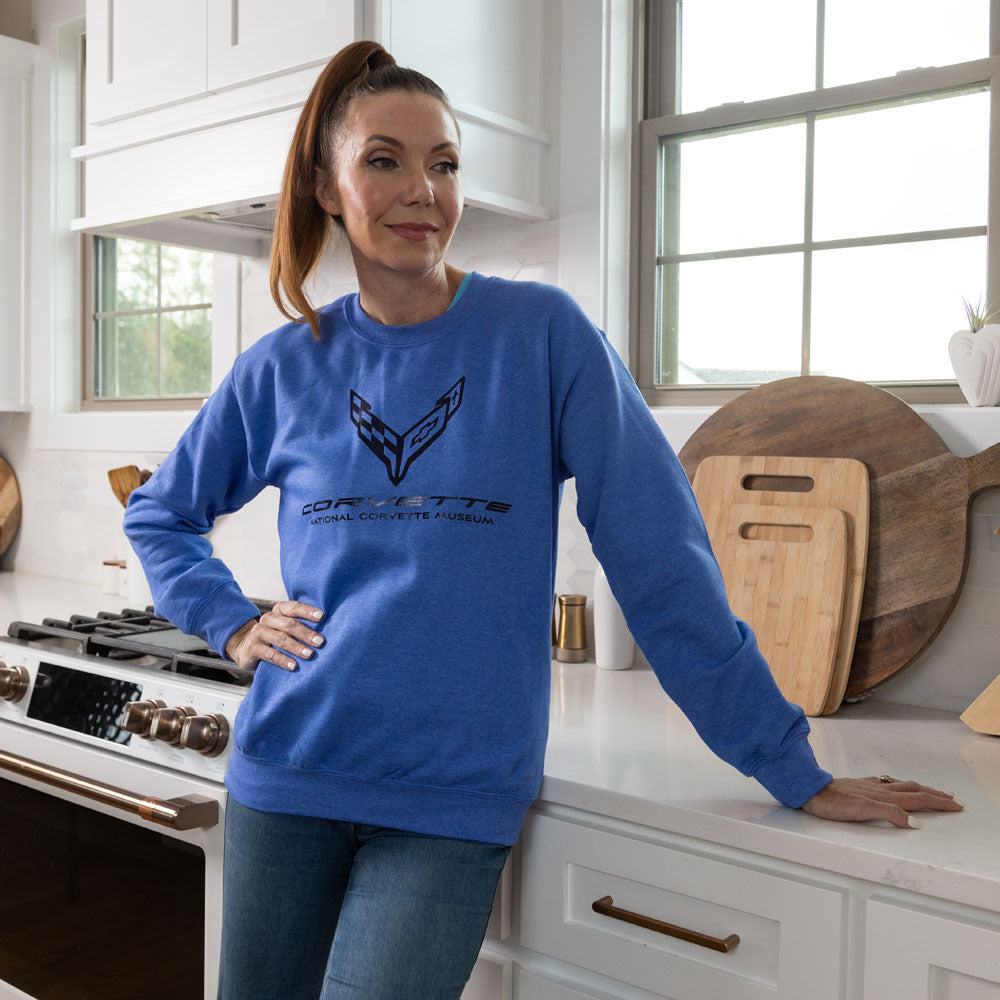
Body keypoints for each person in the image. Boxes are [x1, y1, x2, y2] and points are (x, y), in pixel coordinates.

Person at [122, 40, 963, 1000]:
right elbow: (161, 513)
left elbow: (660, 558)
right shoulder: (283, 366)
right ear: (326, 186)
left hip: (449, 799)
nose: (422, 190)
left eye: (443, 164)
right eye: (384, 160)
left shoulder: (544, 337)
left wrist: (786, 763)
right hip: (286, 770)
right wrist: (230, 621)